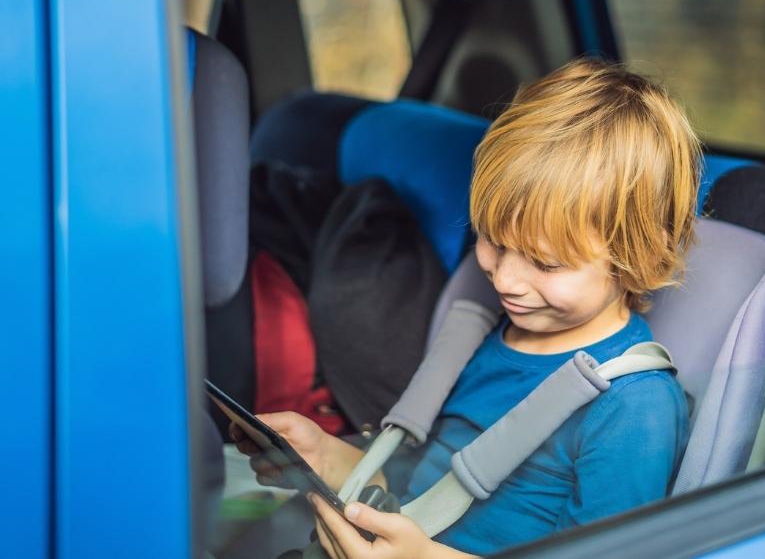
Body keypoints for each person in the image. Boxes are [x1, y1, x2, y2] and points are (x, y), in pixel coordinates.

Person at [233, 58, 703, 559]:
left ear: (638, 260)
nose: (504, 278)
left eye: (545, 263)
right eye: (493, 241)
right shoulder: (492, 333)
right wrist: (327, 456)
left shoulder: (633, 407)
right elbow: (422, 486)